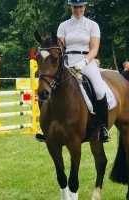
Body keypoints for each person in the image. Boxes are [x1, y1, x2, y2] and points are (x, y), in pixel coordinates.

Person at [36, 0, 110, 143]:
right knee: (46, 87)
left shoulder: (92, 25)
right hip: (66, 61)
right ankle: (45, 127)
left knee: (100, 90)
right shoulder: (63, 26)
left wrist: (84, 62)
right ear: (71, 7)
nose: (78, 10)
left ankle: (103, 127)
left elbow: (94, 48)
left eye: (81, 7)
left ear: (85, 7)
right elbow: (60, 46)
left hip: (87, 60)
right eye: (75, 7)